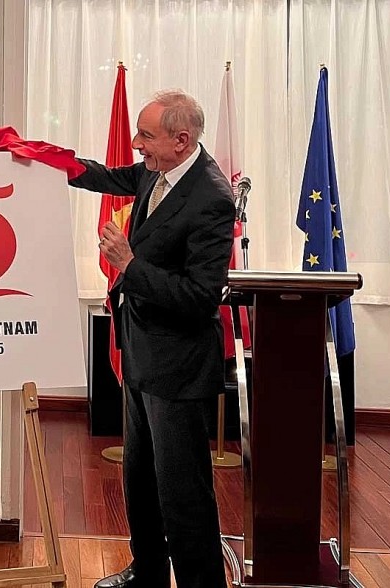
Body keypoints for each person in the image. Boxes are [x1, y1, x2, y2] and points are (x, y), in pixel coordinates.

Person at [69, 90, 235, 588]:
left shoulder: (212, 197)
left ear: (181, 140)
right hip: (141, 357)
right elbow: (105, 175)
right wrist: (48, 160)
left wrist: (130, 266)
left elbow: (200, 297)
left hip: (178, 369)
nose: (136, 145)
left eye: (146, 135)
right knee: (140, 481)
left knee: (182, 492)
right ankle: (148, 575)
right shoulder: (156, 172)